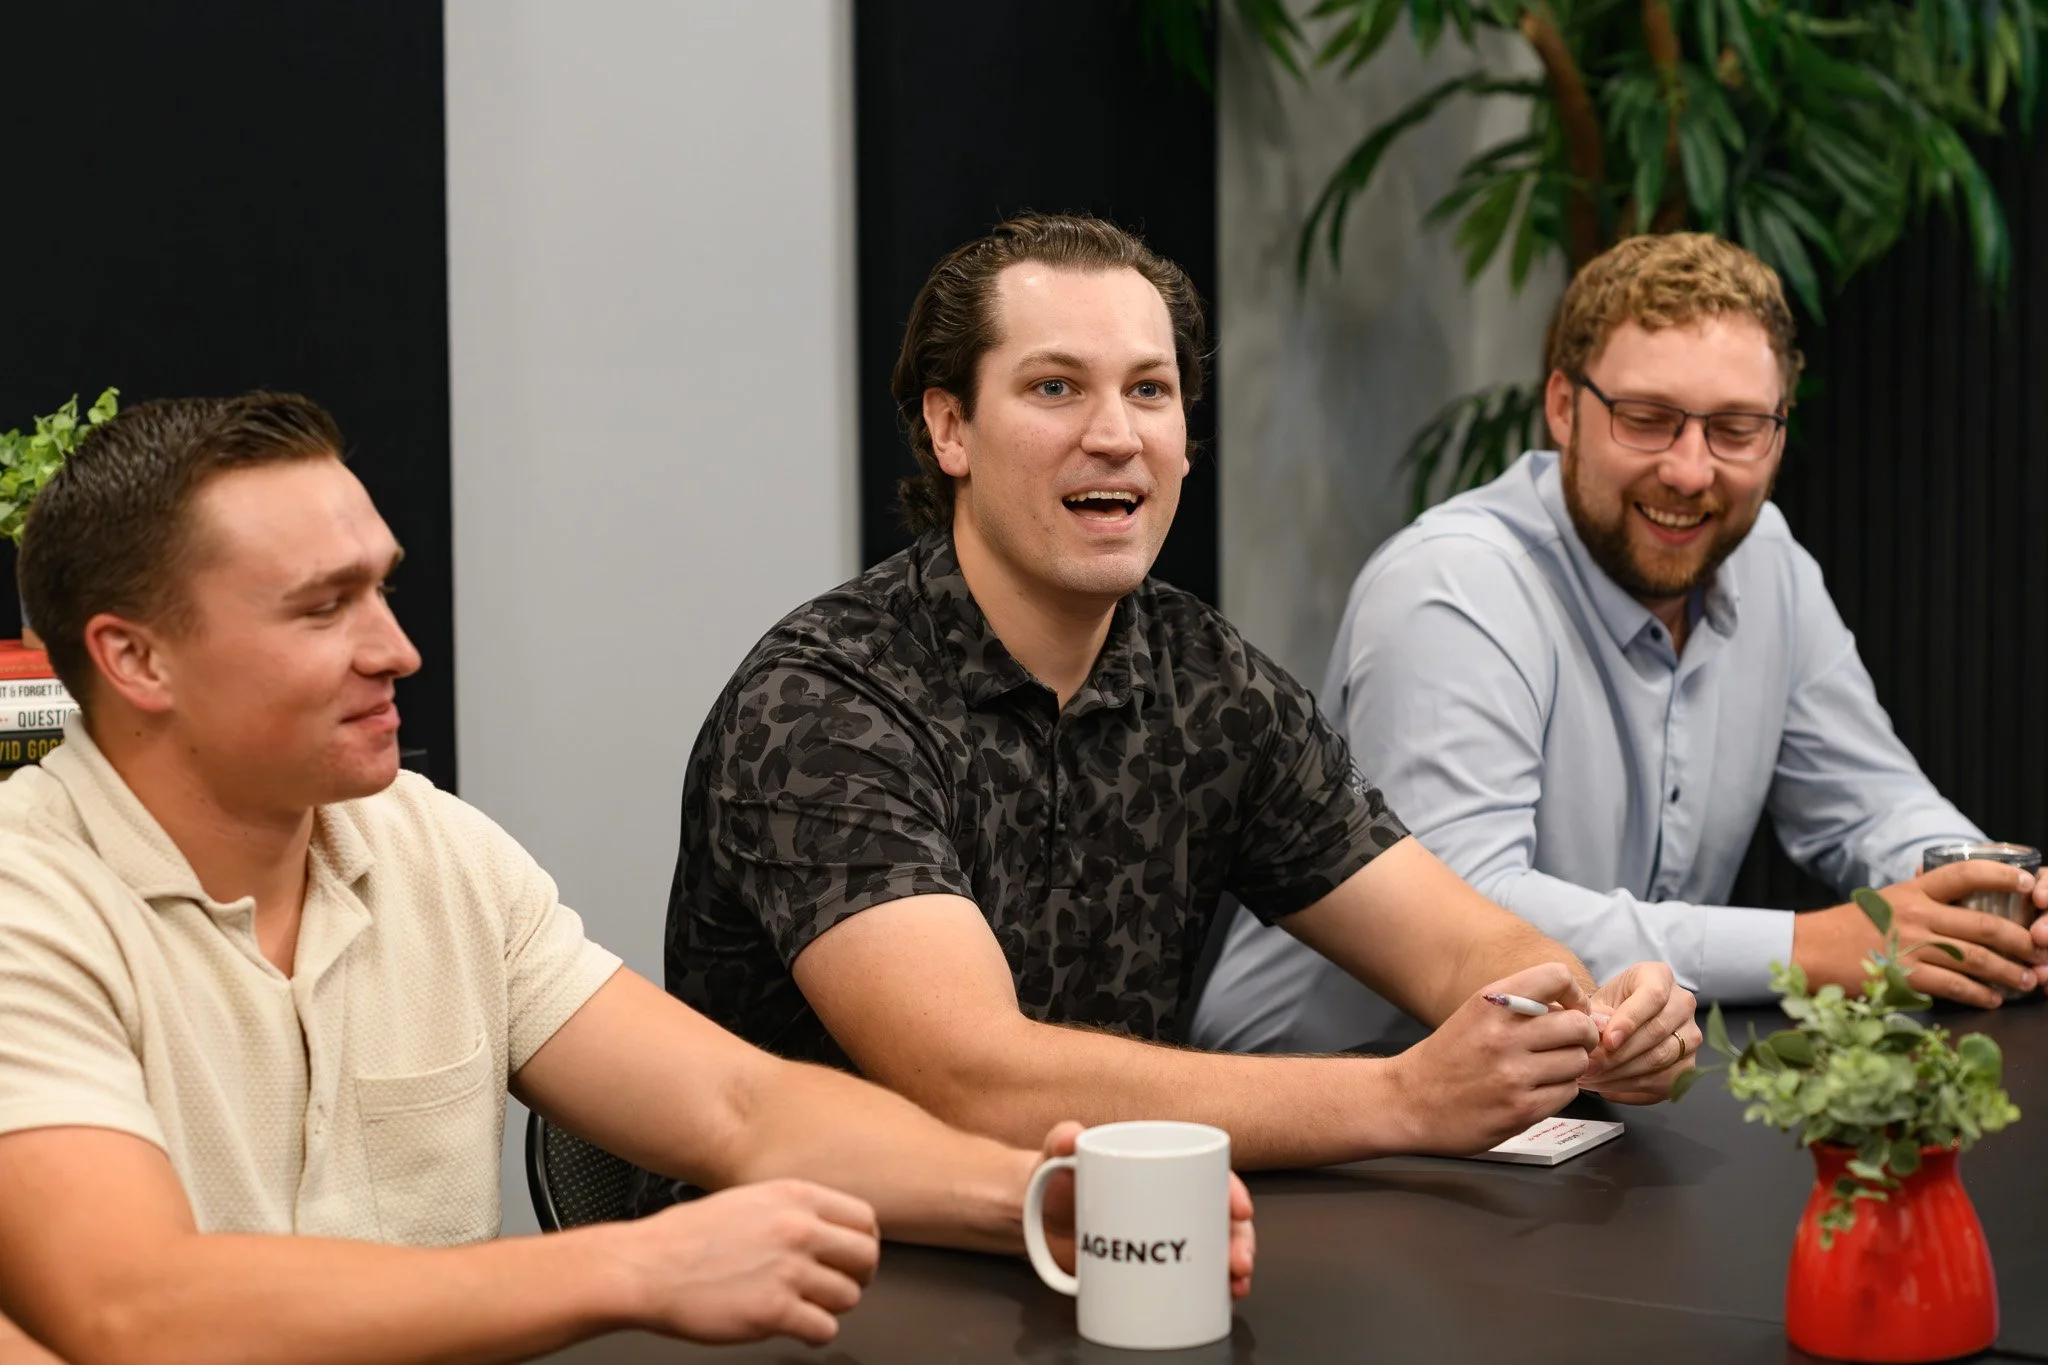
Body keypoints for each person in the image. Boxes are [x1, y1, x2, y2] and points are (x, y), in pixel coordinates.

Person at [0, 393, 1254, 1365]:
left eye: (382, 588)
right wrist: (634, 1269)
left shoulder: (431, 847)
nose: (398, 648)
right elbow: (135, 1305)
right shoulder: (27, 903)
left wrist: (1044, 1202)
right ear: (135, 659)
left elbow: (745, 1110)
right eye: (324, 609)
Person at [654, 212, 1698, 1194]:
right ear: (949, 428)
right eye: (1055, 388)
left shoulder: (1205, 680)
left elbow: (1458, 944)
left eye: (1149, 391)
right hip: (799, 1282)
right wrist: (1401, 1097)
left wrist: (1578, 1012)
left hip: (1101, 1244)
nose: (1115, 435)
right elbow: (973, 1078)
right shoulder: (822, 702)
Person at [1194, 232, 2048, 1056]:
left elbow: (1871, 803)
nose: (1689, 470)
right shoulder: (1453, 583)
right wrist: (1815, 944)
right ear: (1564, 407)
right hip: (1323, 1104)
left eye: (1737, 429)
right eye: (1647, 419)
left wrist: (1999, 900)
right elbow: (1472, 911)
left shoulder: (1769, 562)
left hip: (1575, 1089)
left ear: (1780, 434)